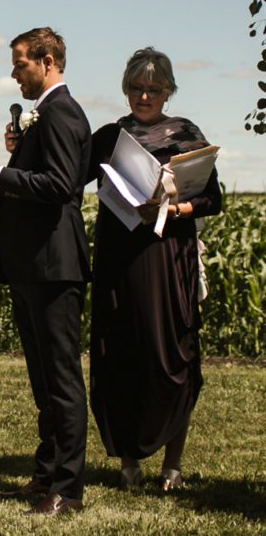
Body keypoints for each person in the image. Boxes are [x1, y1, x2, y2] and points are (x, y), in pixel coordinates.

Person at [0, 27, 91, 518]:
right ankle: (44, 476)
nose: (14, 73)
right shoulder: (45, 117)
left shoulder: (60, 112)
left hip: (54, 266)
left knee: (61, 379)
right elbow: (35, 183)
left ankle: (68, 489)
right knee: (43, 382)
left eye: (19, 64)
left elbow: (60, 185)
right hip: (32, 264)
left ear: (48, 61)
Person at [88, 47, 221, 492]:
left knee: (173, 355)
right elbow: (67, 177)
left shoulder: (186, 134)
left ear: (168, 91)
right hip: (120, 258)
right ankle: (128, 465)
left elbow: (212, 199)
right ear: (126, 90)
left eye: (154, 89)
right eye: (137, 88)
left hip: (168, 257)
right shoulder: (110, 136)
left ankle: (172, 467)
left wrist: (174, 207)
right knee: (123, 352)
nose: (145, 96)